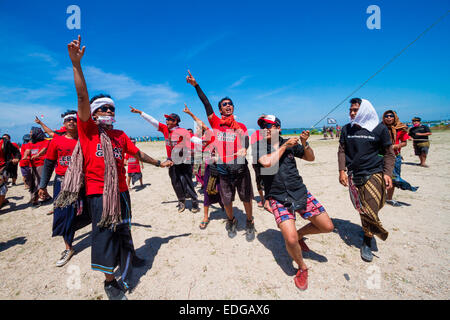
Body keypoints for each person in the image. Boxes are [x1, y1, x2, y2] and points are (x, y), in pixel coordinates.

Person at [66, 35, 172, 300]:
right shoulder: (88, 130)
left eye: (112, 109)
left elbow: (138, 153)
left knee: (124, 227)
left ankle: (131, 257)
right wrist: (77, 65)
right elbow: (81, 97)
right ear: (95, 113)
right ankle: (110, 280)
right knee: (104, 233)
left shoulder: (121, 135)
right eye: (105, 109)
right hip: (98, 193)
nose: (110, 112)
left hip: (122, 191)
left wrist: (160, 162)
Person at [253, 115, 334, 290]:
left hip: (299, 191)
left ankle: (299, 234)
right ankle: (302, 267)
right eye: (262, 126)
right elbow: (267, 163)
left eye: (269, 125)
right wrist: (284, 146)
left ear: (279, 128)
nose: (265, 128)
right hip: (277, 196)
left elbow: (310, 158)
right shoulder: (258, 146)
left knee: (327, 227)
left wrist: (304, 143)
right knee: (289, 240)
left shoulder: (290, 144)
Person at [186, 70, 256, 241]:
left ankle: (249, 221)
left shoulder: (240, 125)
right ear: (220, 109)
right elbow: (206, 104)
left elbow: (245, 138)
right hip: (223, 168)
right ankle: (231, 220)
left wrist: (244, 149)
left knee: (246, 196)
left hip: (240, 167)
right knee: (226, 199)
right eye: (224, 104)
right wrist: (196, 86)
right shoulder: (215, 122)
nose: (227, 105)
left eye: (230, 103)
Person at [338, 98, 395, 262]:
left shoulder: (379, 128)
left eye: (356, 110)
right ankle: (370, 229)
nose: (352, 113)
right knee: (361, 207)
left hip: (374, 172)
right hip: (353, 175)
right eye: (351, 110)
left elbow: (389, 153)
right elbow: (342, 150)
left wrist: (387, 173)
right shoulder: (346, 129)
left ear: (365, 110)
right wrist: (341, 171)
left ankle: (367, 241)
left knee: (371, 206)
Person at [38, 110, 91, 267]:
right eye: (68, 120)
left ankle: (81, 232)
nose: (71, 122)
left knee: (87, 212)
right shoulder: (56, 141)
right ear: (64, 123)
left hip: (82, 183)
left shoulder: (85, 140)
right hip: (63, 183)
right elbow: (48, 164)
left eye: (74, 120)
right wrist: (42, 185)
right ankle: (68, 247)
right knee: (63, 214)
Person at [129, 106, 200, 213]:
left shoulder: (183, 131)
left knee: (187, 181)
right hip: (171, 160)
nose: (167, 121)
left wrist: (207, 143)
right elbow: (152, 121)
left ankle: (194, 201)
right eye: (166, 119)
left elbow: (194, 139)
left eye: (169, 119)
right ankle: (181, 201)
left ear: (175, 121)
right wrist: (140, 113)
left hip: (184, 160)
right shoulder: (164, 129)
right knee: (175, 181)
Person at [183, 104, 224, 229]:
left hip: (222, 167)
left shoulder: (225, 135)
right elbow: (200, 122)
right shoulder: (210, 135)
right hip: (209, 167)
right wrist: (190, 114)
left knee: (223, 190)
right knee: (207, 191)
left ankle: (225, 208)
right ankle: (206, 216)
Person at [382, 110, 418, 206]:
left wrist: (396, 146)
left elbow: (404, 142)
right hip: (381, 156)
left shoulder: (400, 129)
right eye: (386, 116)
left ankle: (389, 198)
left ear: (395, 117)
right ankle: (381, 197)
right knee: (381, 177)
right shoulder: (380, 128)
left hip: (395, 157)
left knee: (393, 178)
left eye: (391, 116)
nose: (388, 118)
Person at [23, 127, 51, 206]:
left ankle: (35, 200)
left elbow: (44, 149)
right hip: (32, 165)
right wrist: (25, 156)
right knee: (33, 182)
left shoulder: (45, 141)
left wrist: (37, 155)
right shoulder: (30, 143)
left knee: (39, 182)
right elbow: (27, 151)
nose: (30, 134)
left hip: (42, 164)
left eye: (31, 132)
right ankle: (46, 197)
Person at [250, 127, 272, 213]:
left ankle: (268, 199)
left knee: (269, 180)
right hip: (257, 161)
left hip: (269, 159)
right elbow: (254, 148)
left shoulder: (271, 133)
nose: (265, 127)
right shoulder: (255, 134)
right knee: (258, 180)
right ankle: (262, 199)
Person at [0, 135, 20, 209]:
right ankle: (3, 201)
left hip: (3, 168)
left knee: (2, 189)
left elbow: (16, 152)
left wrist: (17, 158)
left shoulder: (4, 142)